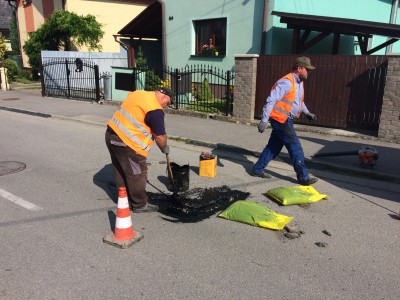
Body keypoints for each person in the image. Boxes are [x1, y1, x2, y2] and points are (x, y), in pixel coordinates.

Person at [251, 56, 318, 186]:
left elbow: (299, 101)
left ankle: (257, 170)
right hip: (281, 119)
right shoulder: (287, 82)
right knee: (295, 147)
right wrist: (264, 120)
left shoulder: (299, 83)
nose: (308, 72)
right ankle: (303, 178)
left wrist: (307, 113)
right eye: (307, 69)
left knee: (273, 147)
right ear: (300, 68)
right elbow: (271, 100)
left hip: (284, 120)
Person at [105, 88, 174, 212]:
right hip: (127, 145)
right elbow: (160, 136)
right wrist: (164, 148)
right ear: (163, 97)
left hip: (111, 135)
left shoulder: (139, 93)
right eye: (167, 103)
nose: (166, 106)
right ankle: (139, 204)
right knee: (137, 174)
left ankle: (124, 199)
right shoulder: (155, 110)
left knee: (121, 170)